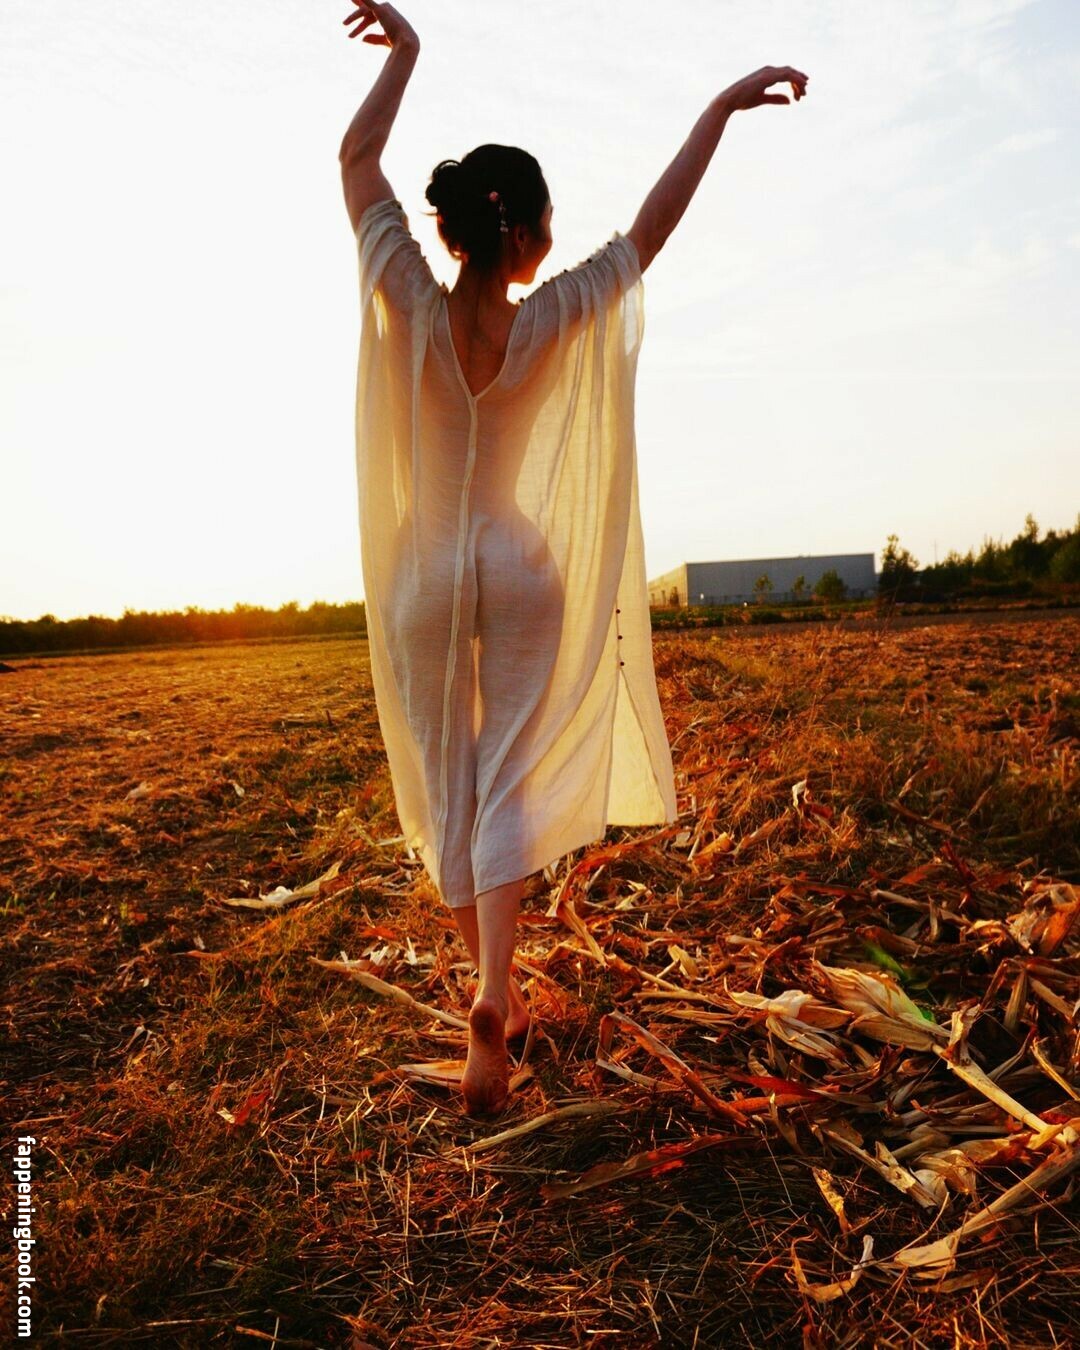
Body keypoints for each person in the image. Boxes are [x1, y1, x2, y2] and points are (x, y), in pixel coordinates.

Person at [339, 1, 809, 1116]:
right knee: (506, 772)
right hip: (520, 565)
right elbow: (651, 229)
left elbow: (356, 158)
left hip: (424, 576)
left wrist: (407, 55)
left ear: (458, 227)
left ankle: (489, 992)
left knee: (444, 778)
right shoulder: (549, 319)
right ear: (528, 234)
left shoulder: (405, 291)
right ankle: (496, 992)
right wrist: (718, 109)